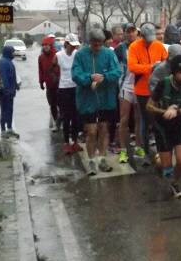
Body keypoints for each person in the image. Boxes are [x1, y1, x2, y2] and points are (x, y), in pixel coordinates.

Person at [147, 55, 181, 198]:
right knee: (166, 165)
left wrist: (177, 111)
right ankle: (160, 163)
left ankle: (174, 183)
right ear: (173, 73)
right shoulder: (163, 84)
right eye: (180, 73)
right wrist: (165, 111)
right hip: (162, 126)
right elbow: (149, 106)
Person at [72, 28, 121, 175]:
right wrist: (90, 78)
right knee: (92, 131)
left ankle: (102, 158)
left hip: (106, 98)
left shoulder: (109, 53)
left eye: (100, 43)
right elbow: (76, 74)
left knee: (104, 129)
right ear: (90, 42)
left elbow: (117, 71)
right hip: (87, 99)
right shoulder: (80, 54)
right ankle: (92, 160)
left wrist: (104, 77)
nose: (97, 47)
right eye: (95, 44)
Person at [127, 22, 168, 161]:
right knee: (145, 121)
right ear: (141, 36)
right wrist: (151, 68)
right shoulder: (134, 47)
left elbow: (167, 63)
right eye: (147, 39)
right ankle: (145, 151)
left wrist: (159, 68)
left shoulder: (158, 45)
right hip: (142, 90)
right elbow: (132, 67)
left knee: (158, 120)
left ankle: (160, 149)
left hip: (158, 89)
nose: (150, 42)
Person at [115, 24, 143, 163]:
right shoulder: (120, 48)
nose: (131, 34)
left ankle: (138, 146)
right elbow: (115, 66)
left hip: (140, 87)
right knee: (124, 120)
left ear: (137, 33)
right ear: (125, 33)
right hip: (125, 86)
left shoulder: (143, 45)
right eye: (128, 32)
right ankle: (123, 150)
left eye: (133, 31)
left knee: (138, 119)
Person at [57, 34, 82, 154]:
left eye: (75, 46)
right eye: (72, 46)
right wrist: (57, 80)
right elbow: (52, 69)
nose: (73, 48)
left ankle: (75, 141)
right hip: (64, 88)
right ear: (66, 44)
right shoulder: (58, 55)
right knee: (66, 117)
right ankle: (66, 143)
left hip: (76, 87)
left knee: (76, 117)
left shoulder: (77, 54)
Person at [38, 36, 60, 131]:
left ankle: (61, 121)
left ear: (51, 45)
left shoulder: (57, 55)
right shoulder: (41, 57)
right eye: (43, 45)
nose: (45, 47)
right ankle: (56, 122)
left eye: (47, 45)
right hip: (49, 85)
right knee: (52, 104)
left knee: (61, 104)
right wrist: (41, 82)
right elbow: (40, 70)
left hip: (59, 84)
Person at [0, 44, 19, 138]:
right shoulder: (3, 62)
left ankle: (9, 128)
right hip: (4, 92)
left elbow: (12, 75)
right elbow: (3, 78)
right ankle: (3, 130)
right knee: (4, 110)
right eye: (12, 52)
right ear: (8, 52)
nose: (14, 53)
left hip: (10, 91)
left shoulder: (9, 61)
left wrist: (16, 85)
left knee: (9, 110)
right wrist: (5, 90)